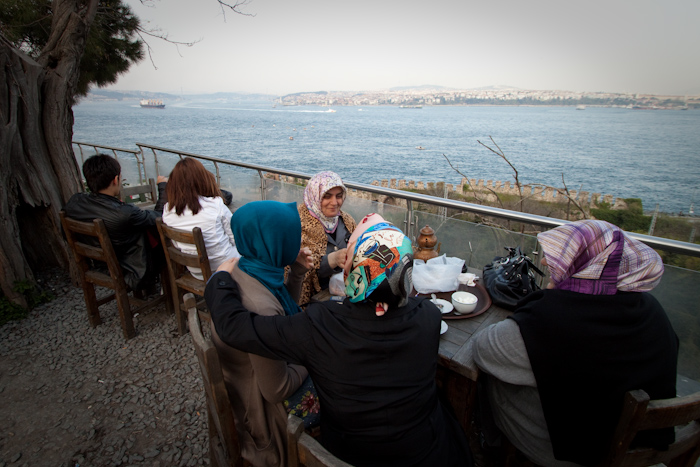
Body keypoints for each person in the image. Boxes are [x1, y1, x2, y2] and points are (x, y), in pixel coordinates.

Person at [206, 216, 473, 467]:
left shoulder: (321, 323)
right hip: (429, 452)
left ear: (356, 271)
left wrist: (220, 280)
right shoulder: (429, 316)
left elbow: (235, 327)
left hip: (349, 454)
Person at [466, 220, 679, 467]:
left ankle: (484, 444)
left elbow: (484, 349)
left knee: (492, 376)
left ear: (587, 265)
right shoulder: (652, 310)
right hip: (637, 445)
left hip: (571, 453)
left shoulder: (553, 318)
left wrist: (548, 299)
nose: (544, 262)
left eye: (565, 255)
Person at [209, 200, 316, 466]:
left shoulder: (247, 268)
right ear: (274, 240)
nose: (298, 239)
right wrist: (314, 352)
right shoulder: (260, 308)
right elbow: (277, 389)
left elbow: (280, 313)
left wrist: (297, 274)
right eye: (293, 234)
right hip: (267, 414)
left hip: (246, 380)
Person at [64, 153, 168, 293]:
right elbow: (160, 217)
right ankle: (167, 289)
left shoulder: (74, 202)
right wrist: (163, 187)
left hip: (99, 265)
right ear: (115, 179)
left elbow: (65, 234)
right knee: (161, 238)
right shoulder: (124, 213)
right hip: (130, 270)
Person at [161, 157, 239, 279]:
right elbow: (236, 239)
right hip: (225, 268)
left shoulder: (168, 210)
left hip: (196, 271)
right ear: (202, 179)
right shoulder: (215, 204)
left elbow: (176, 245)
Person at [296, 171, 356, 305]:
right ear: (315, 196)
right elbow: (296, 271)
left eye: (339, 196)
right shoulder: (298, 224)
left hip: (345, 295)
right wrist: (332, 260)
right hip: (313, 303)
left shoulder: (346, 220)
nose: (334, 202)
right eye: (327, 196)